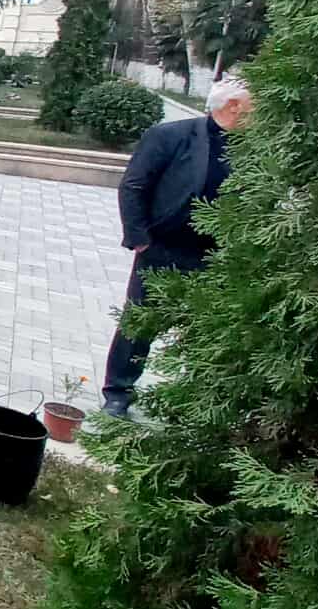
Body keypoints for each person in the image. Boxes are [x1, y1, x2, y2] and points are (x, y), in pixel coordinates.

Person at [101, 74, 254, 418]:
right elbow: (134, 186)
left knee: (205, 331)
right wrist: (140, 240)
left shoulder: (253, 150)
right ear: (234, 105)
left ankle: (190, 402)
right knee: (139, 325)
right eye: (254, 104)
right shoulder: (171, 136)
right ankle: (118, 392)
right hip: (163, 250)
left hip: (217, 257)